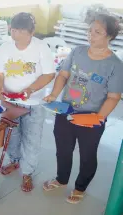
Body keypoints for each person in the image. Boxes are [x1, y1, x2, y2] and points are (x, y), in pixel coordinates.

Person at [43, 14, 123, 204]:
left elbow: (113, 97)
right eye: (89, 31)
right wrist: (54, 95)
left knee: (87, 155)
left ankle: (80, 187)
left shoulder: (115, 66)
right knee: (63, 149)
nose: (90, 35)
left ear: (109, 36)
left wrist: (99, 117)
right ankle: (61, 179)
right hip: (66, 111)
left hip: (92, 117)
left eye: (97, 32)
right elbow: (63, 75)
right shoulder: (77, 52)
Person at [0, 12, 55, 192]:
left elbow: (49, 74)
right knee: (12, 136)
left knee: (32, 138)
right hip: (11, 103)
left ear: (31, 32)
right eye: (13, 30)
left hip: (33, 103)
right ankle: (15, 161)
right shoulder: (5, 47)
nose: (16, 35)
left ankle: (27, 172)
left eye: (21, 31)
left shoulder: (42, 47)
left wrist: (30, 90)